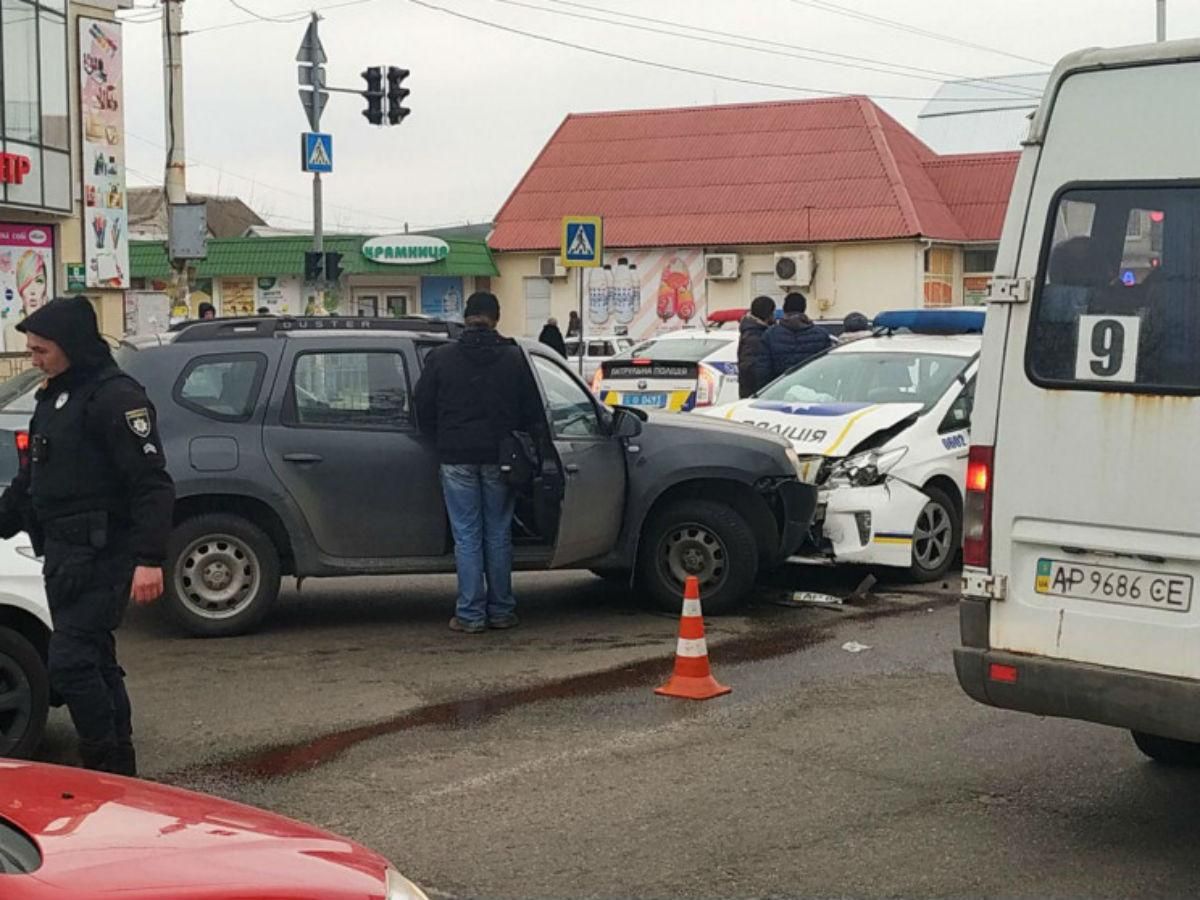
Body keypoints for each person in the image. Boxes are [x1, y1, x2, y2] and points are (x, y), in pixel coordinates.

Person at [0, 297, 174, 776]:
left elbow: (151, 484)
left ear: (71, 345)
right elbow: (30, 482)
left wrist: (149, 558)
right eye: (30, 349)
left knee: (72, 662)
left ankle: (103, 765)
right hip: (63, 556)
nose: (33, 358)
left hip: (105, 554)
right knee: (94, 659)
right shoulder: (55, 398)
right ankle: (120, 767)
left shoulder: (115, 397)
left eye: (41, 349)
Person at [414, 292, 542, 634]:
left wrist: (440, 436)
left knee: (467, 536)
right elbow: (533, 412)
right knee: (498, 534)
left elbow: (422, 408)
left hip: (456, 456)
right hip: (500, 457)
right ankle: (501, 611)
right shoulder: (514, 358)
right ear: (496, 318)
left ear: (466, 317)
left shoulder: (442, 358)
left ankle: (470, 614)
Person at [764, 291, 836, 378]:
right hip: (812, 385)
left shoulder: (770, 334)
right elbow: (827, 366)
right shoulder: (821, 334)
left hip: (779, 387)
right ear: (804, 308)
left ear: (784, 309)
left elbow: (765, 368)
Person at [737, 295, 775, 398]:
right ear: (767, 314)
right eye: (772, 313)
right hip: (756, 394)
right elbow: (752, 369)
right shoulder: (754, 336)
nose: (774, 316)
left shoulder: (752, 331)